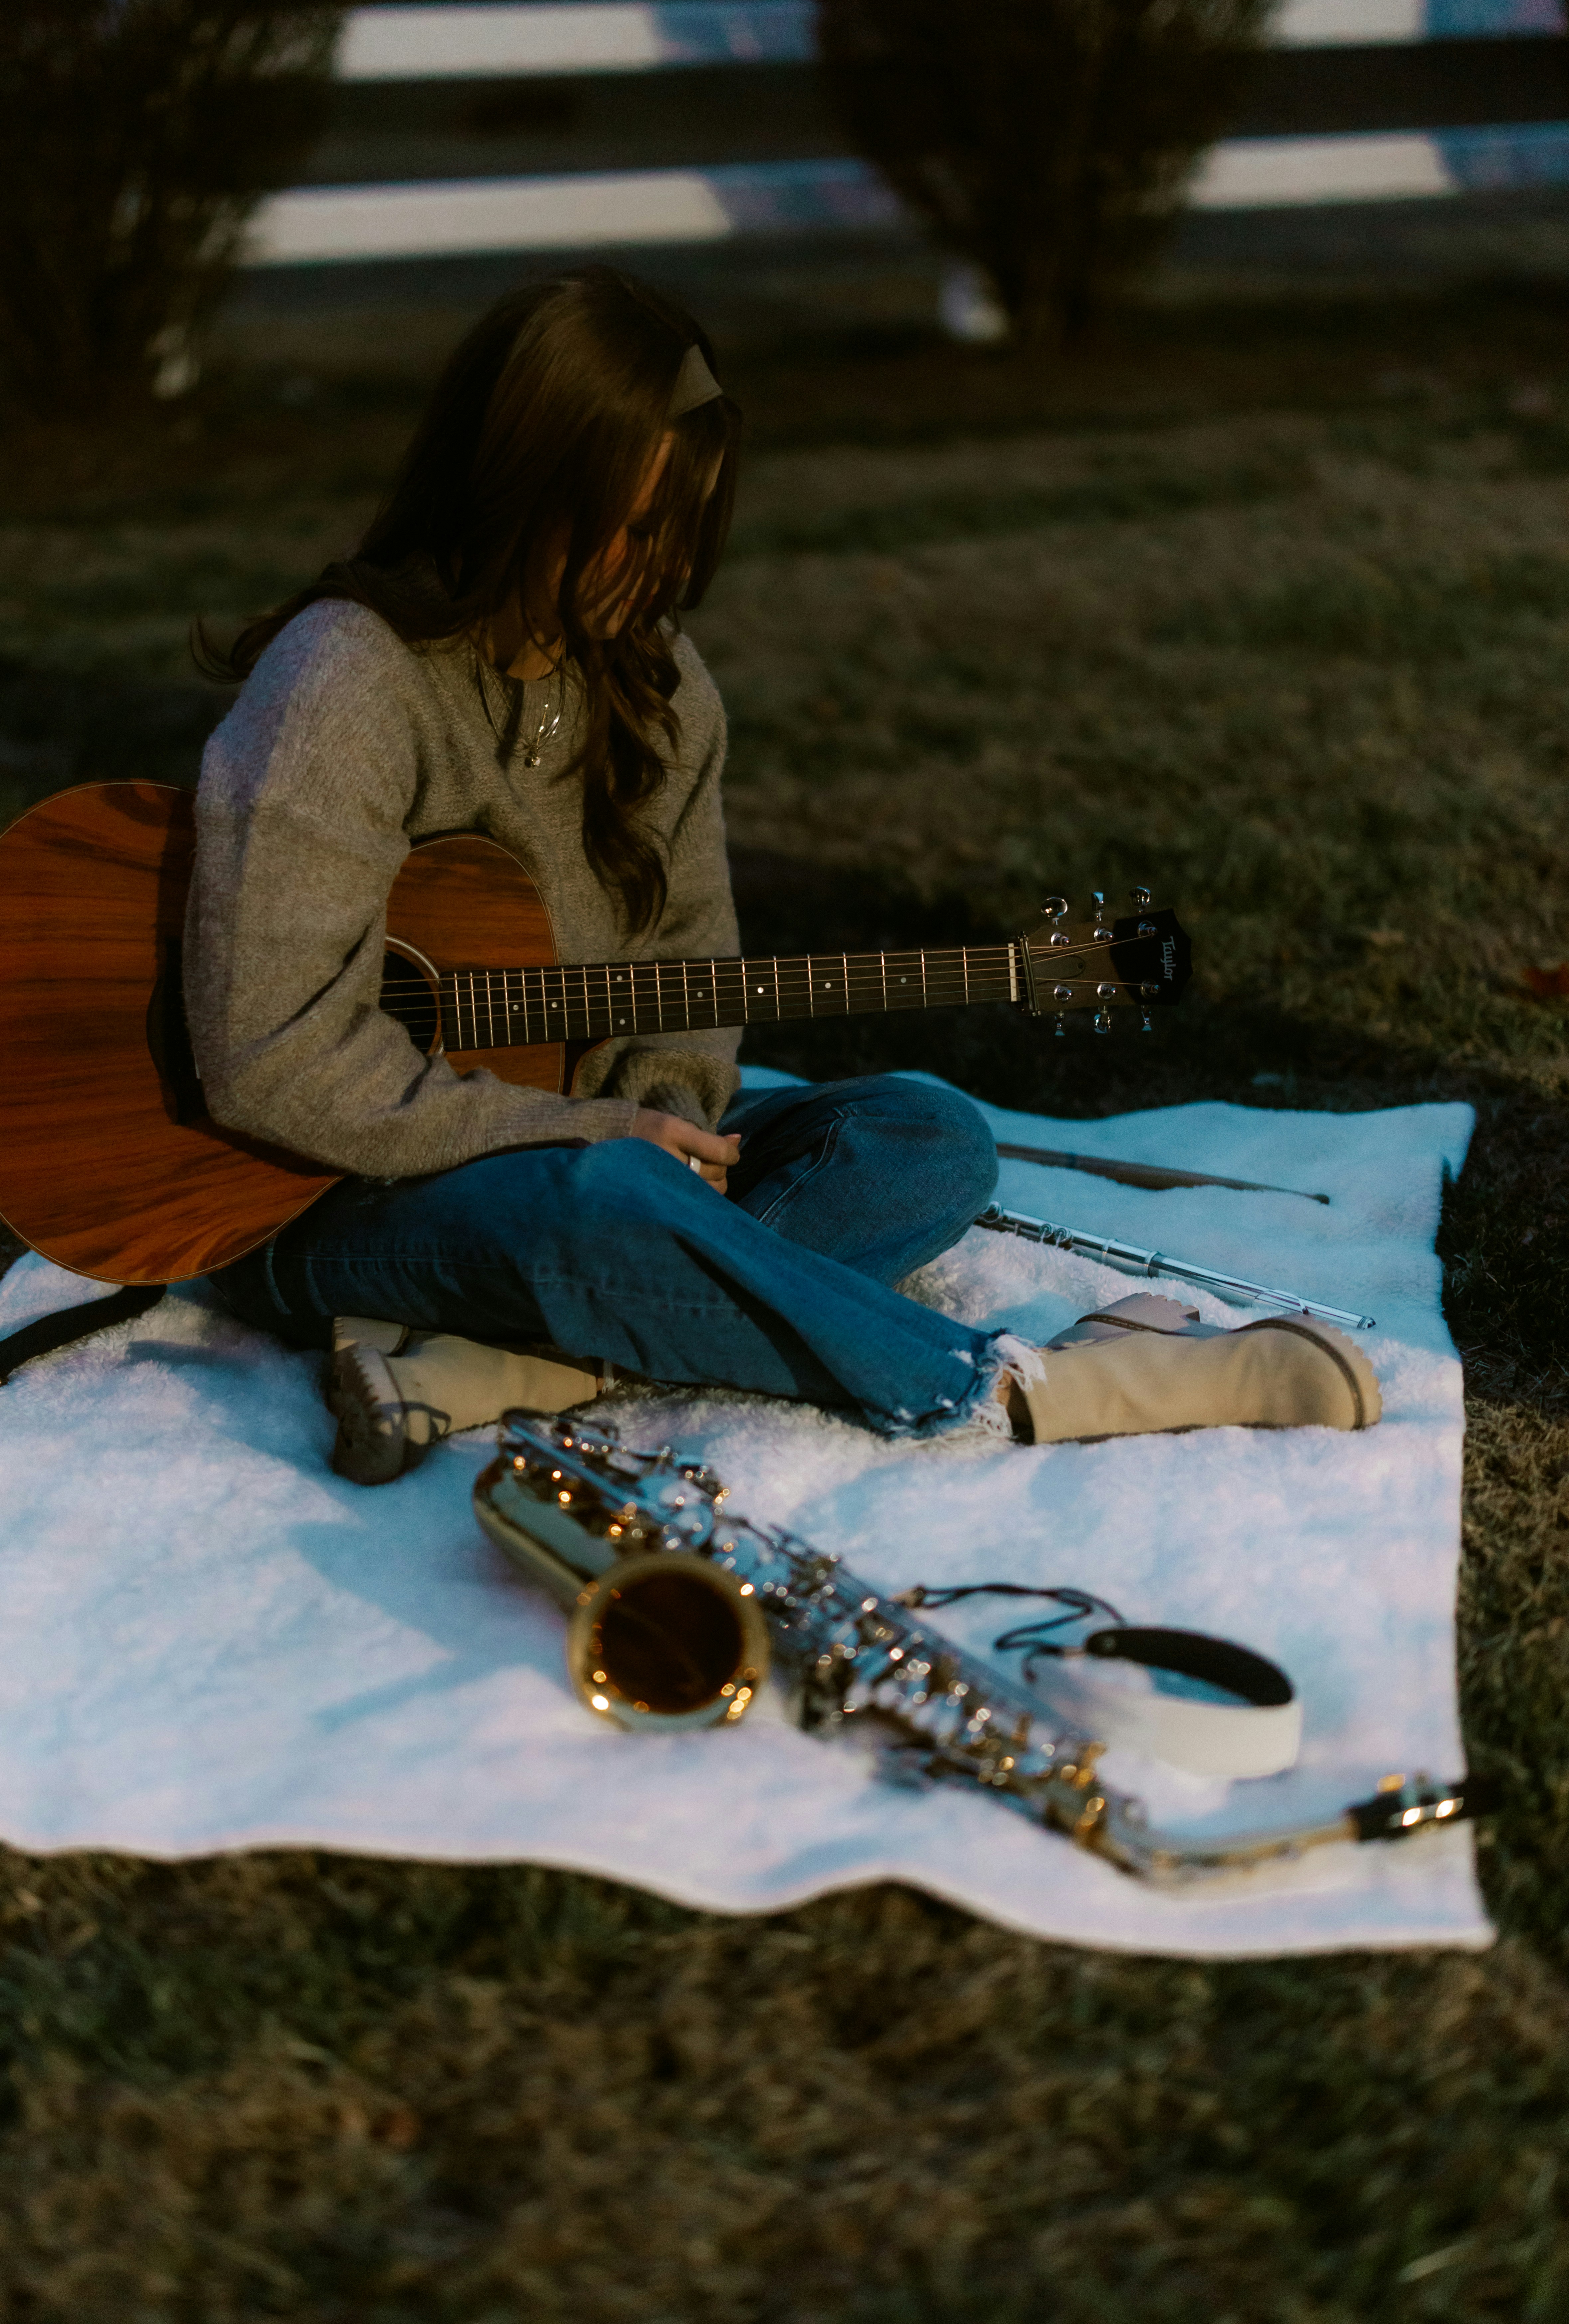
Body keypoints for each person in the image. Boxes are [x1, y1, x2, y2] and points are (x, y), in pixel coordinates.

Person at [188, 267, 1379, 1483]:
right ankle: (1009, 1385)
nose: (656, 572)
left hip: (585, 1155)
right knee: (600, 1206)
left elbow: (691, 974)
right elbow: (276, 1056)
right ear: (517, 485)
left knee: (929, 1140)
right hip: (320, 1202)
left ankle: (534, 1363)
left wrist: (666, 1121)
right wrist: (600, 1138)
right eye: (631, 528)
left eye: (681, 535)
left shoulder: (655, 686)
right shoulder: (348, 682)